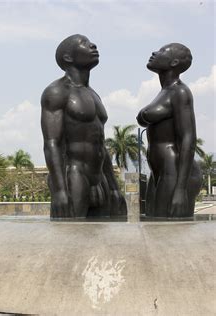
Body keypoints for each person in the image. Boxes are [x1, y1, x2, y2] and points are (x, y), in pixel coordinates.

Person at [41, 34, 127, 219]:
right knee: (70, 240)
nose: (93, 45)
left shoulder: (94, 95)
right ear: (68, 57)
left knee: (102, 241)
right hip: (74, 175)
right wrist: (59, 191)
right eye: (84, 44)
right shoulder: (56, 92)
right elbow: (52, 143)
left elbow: (101, 144)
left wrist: (113, 187)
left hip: (99, 178)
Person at [137, 43, 202, 217]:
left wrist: (180, 189)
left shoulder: (180, 92)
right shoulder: (164, 93)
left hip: (175, 169)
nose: (153, 52)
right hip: (159, 169)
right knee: (152, 221)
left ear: (174, 62)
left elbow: (188, 138)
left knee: (167, 228)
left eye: (161, 51)